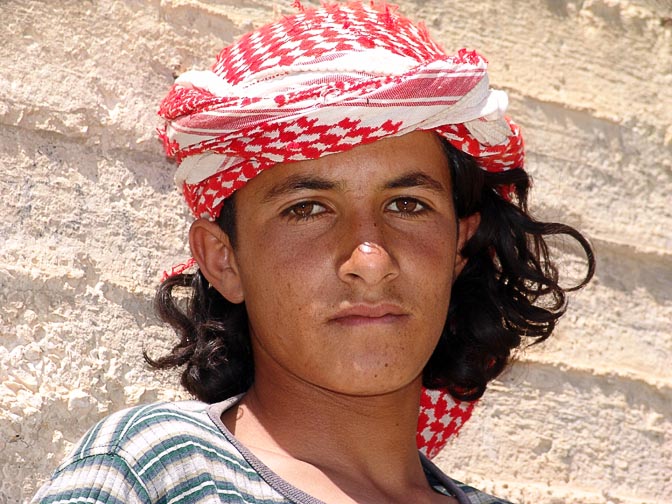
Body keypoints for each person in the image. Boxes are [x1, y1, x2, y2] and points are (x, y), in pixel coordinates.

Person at [32, 2, 594, 503]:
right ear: (224, 261)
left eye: (407, 205)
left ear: (459, 247)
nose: (371, 261)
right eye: (306, 209)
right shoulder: (154, 470)